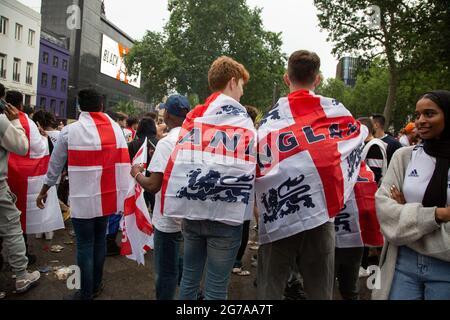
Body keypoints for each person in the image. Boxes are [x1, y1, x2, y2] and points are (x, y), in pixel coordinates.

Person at [256, 50, 367, 300]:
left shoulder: (269, 123)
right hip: (320, 214)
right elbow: (355, 145)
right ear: (318, 79)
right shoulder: (337, 114)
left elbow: (258, 167)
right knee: (320, 288)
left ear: (286, 78)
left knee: (270, 287)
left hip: (278, 216)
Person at [159, 56, 255, 300]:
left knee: (189, 281)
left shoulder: (195, 118)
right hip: (226, 218)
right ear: (232, 82)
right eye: (242, 86)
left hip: (192, 214)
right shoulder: (242, 121)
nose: (242, 93)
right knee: (215, 289)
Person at [36, 89, 131, 300]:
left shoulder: (70, 131)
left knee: (85, 245)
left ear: (79, 107)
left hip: (82, 200)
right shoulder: (116, 130)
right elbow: (123, 163)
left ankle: (85, 293)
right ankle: (95, 285)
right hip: (106, 197)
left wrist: (44, 189)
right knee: (99, 242)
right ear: (101, 107)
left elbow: (55, 164)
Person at [373, 90, 450, 300]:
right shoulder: (404, 157)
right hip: (402, 264)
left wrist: (406, 214)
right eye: (418, 115)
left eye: (429, 114)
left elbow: (397, 218)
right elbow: (384, 208)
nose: (420, 121)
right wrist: (438, 215)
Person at [131, 94, 190, 300]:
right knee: (186, 268)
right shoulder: (197, 139)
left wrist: (136, 173)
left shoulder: (167, 144)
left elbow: (153, 186)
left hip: (168, 219)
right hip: (190, 216)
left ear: (168, 115)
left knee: (166, 273)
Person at [6, 91, 64, 262]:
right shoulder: (27, 123)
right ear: (21, 105)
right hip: (20, 179)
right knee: (17, 218)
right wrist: (44, 138)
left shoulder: (4, 120)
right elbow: (38, 148)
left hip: (6, 175)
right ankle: (20, 257)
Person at [0, 98, 41, 293]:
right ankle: (22, 276)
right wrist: (15, 122)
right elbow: (23, 147)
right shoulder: (2, 121)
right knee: (12, 227)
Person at [232, 105, 259, 277]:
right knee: (243, 225)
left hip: (230, 185)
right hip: (247, 186)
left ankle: (228, 260)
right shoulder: (255, 135)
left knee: (231, 223)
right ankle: (236, 263)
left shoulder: (232, 132)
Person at [128, 117, 159, 211]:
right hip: (155, 181)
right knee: (155, 206)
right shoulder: (159, 143)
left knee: (140, 207)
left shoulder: (133, 144)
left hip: (137, 181)